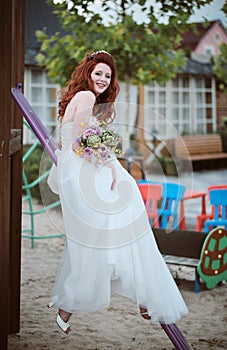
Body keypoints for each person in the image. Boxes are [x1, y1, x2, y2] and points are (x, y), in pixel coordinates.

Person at [47, 50, 188, 334]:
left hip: (81, 172)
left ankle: (134, 296)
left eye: (107, 75)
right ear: (88, 73)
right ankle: (143, 294)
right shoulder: (86, 97)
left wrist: (109, 161)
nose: (102, 78)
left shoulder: (88, 100)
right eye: (98, 72)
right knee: (123, 226)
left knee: (111, 234)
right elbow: (80, 141)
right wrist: (108, 164)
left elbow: (85, 139)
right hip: (84, 172)